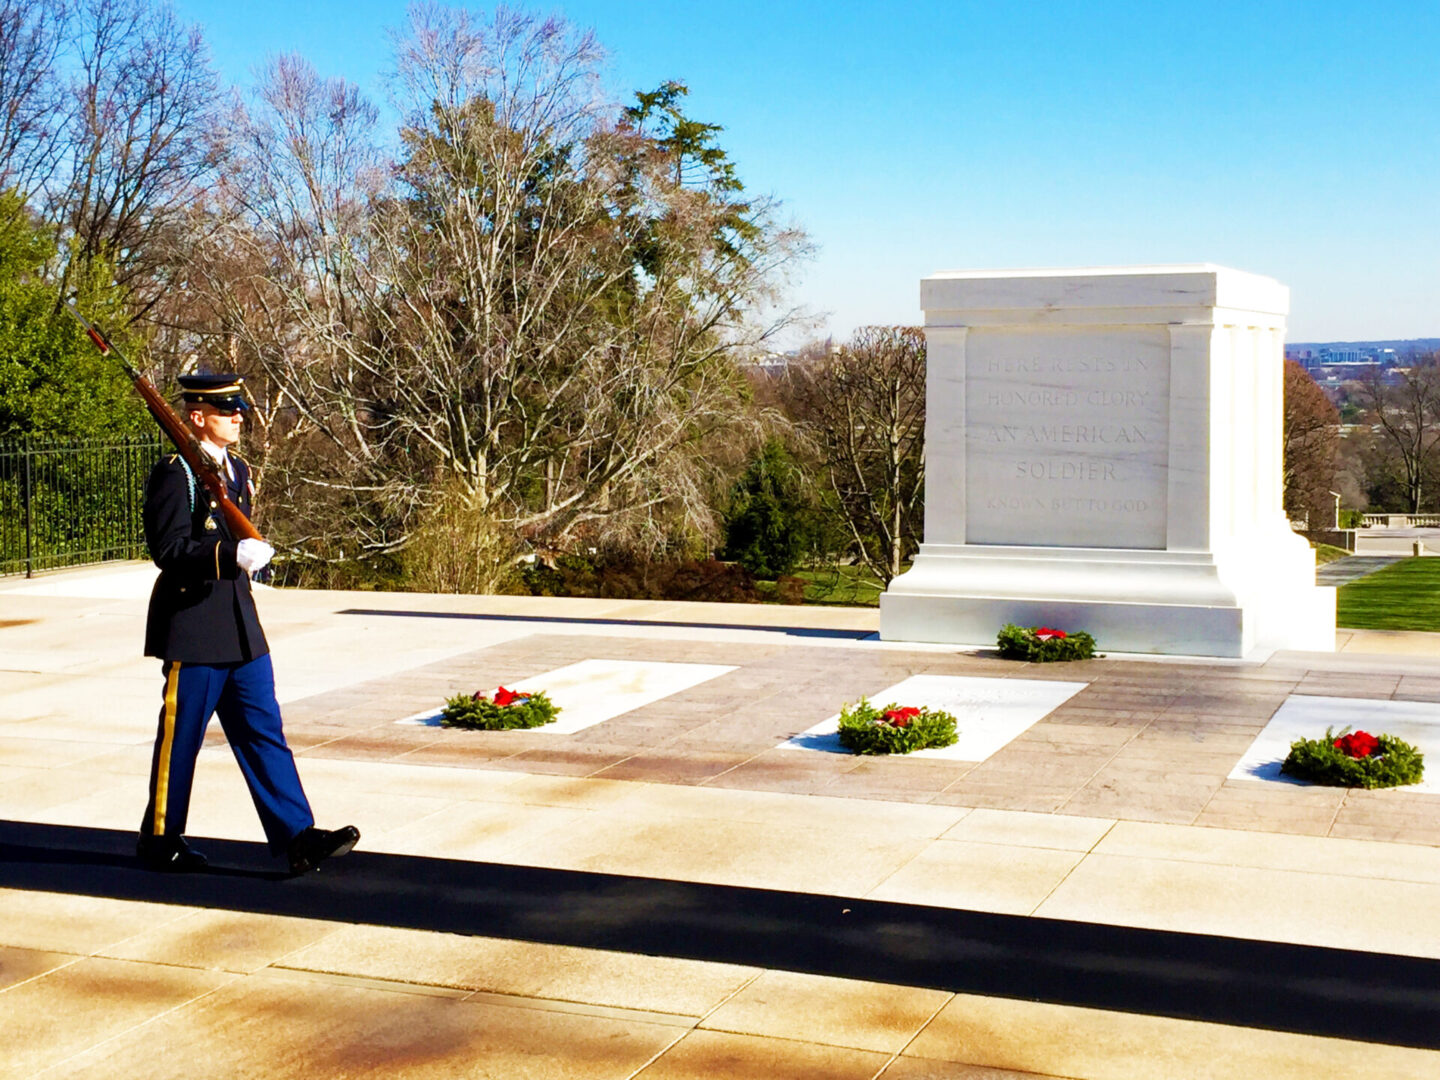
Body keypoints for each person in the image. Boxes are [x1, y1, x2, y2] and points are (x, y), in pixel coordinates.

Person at [136, 373, 359, 875]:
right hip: (194, 628)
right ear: (197, 417)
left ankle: (297, 836)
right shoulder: (177, 473)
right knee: (182, 740)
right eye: (227, 410)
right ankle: (160, 839)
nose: (239, 417)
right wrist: (229, 552)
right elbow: (168, 550)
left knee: (264, 731)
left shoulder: (236, 469)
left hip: (240, 627)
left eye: (239, 409)